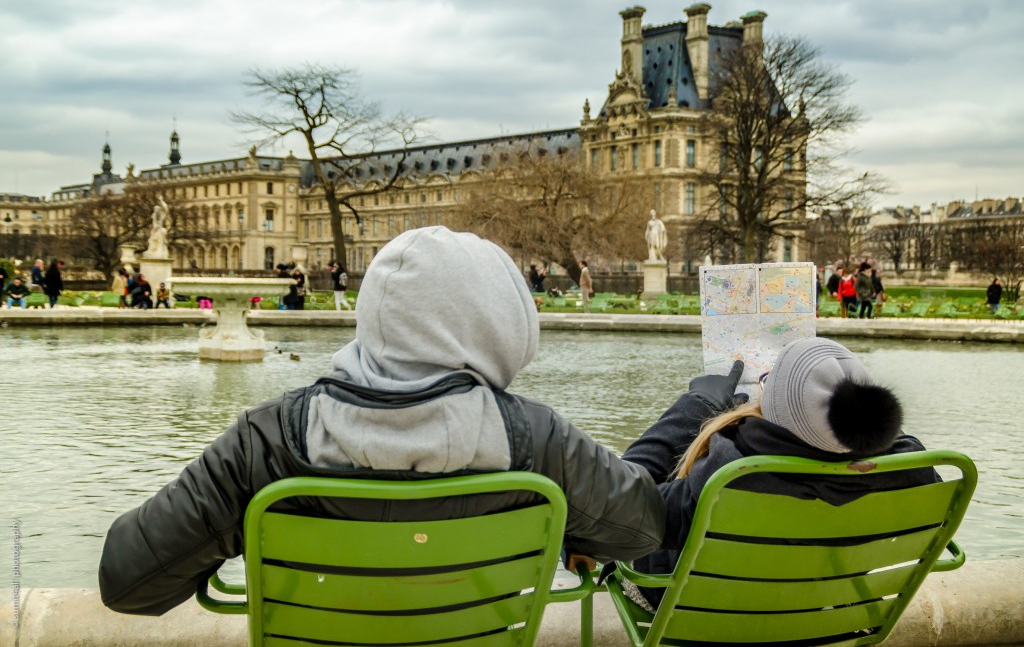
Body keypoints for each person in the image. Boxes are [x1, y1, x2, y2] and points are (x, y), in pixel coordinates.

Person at [98, 226, 665, 616]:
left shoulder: (266, 441)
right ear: (500, 325)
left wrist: (235, 528)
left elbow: (126, 582)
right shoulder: (535, 441)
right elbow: (641, 530)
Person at [618, 337, 938, 611]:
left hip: (701, 613)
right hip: (816, 611)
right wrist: (864, 435)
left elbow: (619, 504)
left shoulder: (724, 478)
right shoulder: (909, 477)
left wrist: (692, 407)